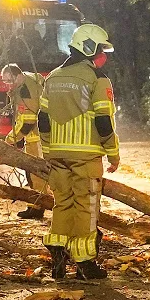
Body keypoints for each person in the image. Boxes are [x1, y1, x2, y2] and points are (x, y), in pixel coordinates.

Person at [38, 23, 119, 280]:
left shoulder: (52, 77)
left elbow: (43, 118)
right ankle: (85, 264)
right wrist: (113, 153)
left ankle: (58, 252)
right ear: (89, 48)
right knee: (86, 207)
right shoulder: (97, 79)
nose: (103, 57)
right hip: (86, 156)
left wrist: (49, 150)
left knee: (62, 203)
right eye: (101, 50)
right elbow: (103, 121)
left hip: (57, 156)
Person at [1, 63, 48, 220]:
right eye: (5, 81)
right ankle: (40, 204)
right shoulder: (29, 79)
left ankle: (37, 206)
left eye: (9, 80)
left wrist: (11, 139)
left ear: (18, 76)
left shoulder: (25, 90)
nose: (7, 85)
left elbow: (28, 120)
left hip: (37, 138)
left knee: (36, 174)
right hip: (43, 135)